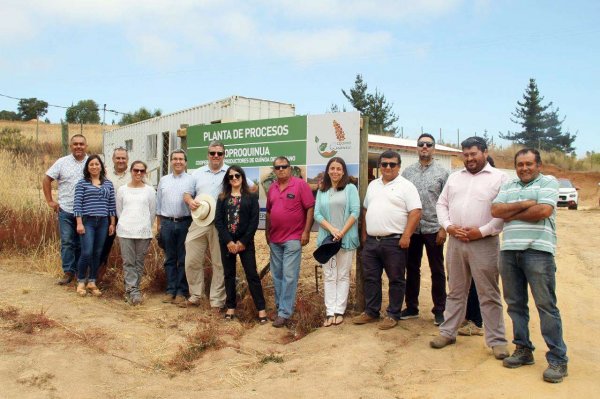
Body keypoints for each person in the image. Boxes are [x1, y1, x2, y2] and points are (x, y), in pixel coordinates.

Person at [491, 148, 569, 383]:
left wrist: (511, 211)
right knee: (515, 306)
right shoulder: (508, 185)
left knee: (546, 306)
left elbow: (543, 210)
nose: (524, 168)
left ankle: (558, 359)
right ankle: (523, 349)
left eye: (529, 164)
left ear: (539, 165)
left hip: (538, 253)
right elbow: (495, 210)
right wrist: (526, 203)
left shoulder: (549, 182)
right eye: (520, 164)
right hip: (509, 253)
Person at [430, 137, 509, 360]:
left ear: (485, 152)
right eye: (465, 154)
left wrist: (481, 231)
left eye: (473, 154)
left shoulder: (500, 178)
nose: (469, 158)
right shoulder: (455, 177)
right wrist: (448, 226)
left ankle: (497, 341)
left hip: (484, 242)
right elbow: (441, 204)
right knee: (455, 290)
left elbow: (503, 212)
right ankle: (448, 332)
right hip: (456, 242)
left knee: (489, 293)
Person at [352, 150, 422, 330]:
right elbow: (366, 209)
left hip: (394, 241)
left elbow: (415, 212)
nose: (388, 167)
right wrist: (365, 235)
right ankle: (371, 312)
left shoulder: (406, 186)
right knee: (371, 278)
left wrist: (406, 235)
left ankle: (393, 314)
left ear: (399, 166)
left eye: (392, 164)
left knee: (396, 279)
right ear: (380, 166)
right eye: (384, 164)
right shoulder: (373, 185)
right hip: (372, 242)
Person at [182, 141, 255, 310]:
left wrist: (242, 204)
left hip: (222, 224)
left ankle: (216, 300)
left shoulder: (231, 173)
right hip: (200, 220)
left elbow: (252, 186)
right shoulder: (197, 173)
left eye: (219, 153)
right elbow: (187, 194)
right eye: (212, 153)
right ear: (207, 154)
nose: (216, 156)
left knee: (219, 263)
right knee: (191, 259)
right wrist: (190, 201)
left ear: (224, 155)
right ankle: (196, 295)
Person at [400, 133, 449, 326]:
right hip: (413, 229)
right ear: (417, 148)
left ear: (434, 148)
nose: (425, 147)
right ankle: (411, 307)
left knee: (437, 270)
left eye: (429, 144)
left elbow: (448, 202)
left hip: (433, 228)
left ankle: (439, 310)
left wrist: (444, 229)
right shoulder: (407, 173)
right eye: (421, 144)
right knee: (411, 269)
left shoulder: (443, 173)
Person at [265, 156, 315, 328]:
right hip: (275, 239)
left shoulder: (300, 185)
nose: (280, 170)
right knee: (277, 275)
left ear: (290, 168)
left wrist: (306, 231)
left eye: (284, 166)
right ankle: (280, 308)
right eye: (277, 167)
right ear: (274, 170)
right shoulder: (272, 188)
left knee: (289, 275)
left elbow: (310, 207)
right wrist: (267, 233)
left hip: (293, 238)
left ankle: (285, 313)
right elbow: (270, 213)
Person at [214, 165, 268, 323]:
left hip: (246, 243)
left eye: (237, 175)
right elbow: (218, 221)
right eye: (231, 177)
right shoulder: (222, 197)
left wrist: (243, 241)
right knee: (229, 275)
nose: (234, 178)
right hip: (227, 243)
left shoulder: (251, 197)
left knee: (252, 275)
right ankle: (231, 307)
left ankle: (261, 309)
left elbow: (254, 221)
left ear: (242, 177)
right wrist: (229, 241)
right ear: (228, 180)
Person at [314, 157, 360, 327]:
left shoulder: (350, 189)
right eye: (332, 168)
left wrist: (341, 232)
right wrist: (332, 229)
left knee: (342, 275)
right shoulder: (322, 190)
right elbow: (317, 214)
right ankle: (329, 312)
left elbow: (355, 212)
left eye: (338, 168)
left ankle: (339, 310)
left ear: (343, 171)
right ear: (327, 170)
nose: (335, 171)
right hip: (328, 241)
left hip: (346, 239)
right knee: (329, 275)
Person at [458, 155, 496, 337]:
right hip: (460, 239)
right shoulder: (461, 180)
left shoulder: (495, 181)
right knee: (459, 282)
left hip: (482, 240)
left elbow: (498, 216)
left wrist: (480, 232)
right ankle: (465, 316)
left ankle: (477, 321)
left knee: (479, 284)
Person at [43, 134, 89, 285]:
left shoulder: (92, 163)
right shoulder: (62, 162)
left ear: (86, 146)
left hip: (86, 212)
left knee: (83, 243)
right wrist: (50, 201)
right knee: (68, 242)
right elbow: (47, 178)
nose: (78, 147)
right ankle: (68, 272)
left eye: (81, 144)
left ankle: (81, 273)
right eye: (75, 144)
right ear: (71, 146)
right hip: (66, 210)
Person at [73, 155, 116, 297]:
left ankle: (92, 281)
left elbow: (111, 205)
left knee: (98, 252)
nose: (94, 167)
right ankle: (80, 281)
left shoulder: (108, 184)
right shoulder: (82, 183)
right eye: (91, 164)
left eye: (97, 164)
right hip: (88, 221)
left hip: (103, 222)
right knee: (87, 252)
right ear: (87, 167)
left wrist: (112, 223)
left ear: (101, 166)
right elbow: (77, 204)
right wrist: (79, 223)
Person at [156, 150, 194, 305]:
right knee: (170, 258)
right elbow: (158, 204)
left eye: (181, 159)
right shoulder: (163, 180)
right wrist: (159, 225)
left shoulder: (192, 180)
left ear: (185, 162)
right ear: (171, 161)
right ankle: (170, 290)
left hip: (185, 222)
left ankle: (181, 291)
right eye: (175, 159)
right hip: (167, 223)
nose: (178, 161)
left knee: (184, 259)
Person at [116, 161, 156, 305]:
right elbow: (119, 211)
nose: (138, 173)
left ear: (145, 172)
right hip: (126, 231)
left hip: (143, 232)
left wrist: (146, 225)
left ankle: (132, 290)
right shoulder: (122, 190)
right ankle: (133, 292)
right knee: (128, 262)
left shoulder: (150, 191)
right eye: (135, 170)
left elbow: (152, 212)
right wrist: (126, 223)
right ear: (130, 171)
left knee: (138, 262)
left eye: (141, 171)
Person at [98, 147, 130, 280]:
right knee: (103, 246)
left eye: (123, 158)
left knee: (129, 250)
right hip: (108, 216)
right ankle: (98, 277)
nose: (120, 160)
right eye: (118, 158)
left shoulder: (134, 174)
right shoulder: (104, 174)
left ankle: (128, 280)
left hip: (127, 217)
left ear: (127, 159)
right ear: (113, 159)